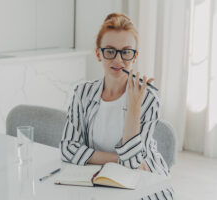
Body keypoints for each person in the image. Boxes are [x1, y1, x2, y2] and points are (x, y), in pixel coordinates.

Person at [60, 13, 174, 199]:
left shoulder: (148, 98)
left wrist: (134, 110)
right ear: (99, 53)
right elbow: (68, 149)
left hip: (145, 183)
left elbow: (133, 165)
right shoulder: (82, 93)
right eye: (110, 51)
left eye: (126, 52)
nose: (118, 60)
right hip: (99, 180)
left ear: (135, 56)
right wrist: (116, 159)